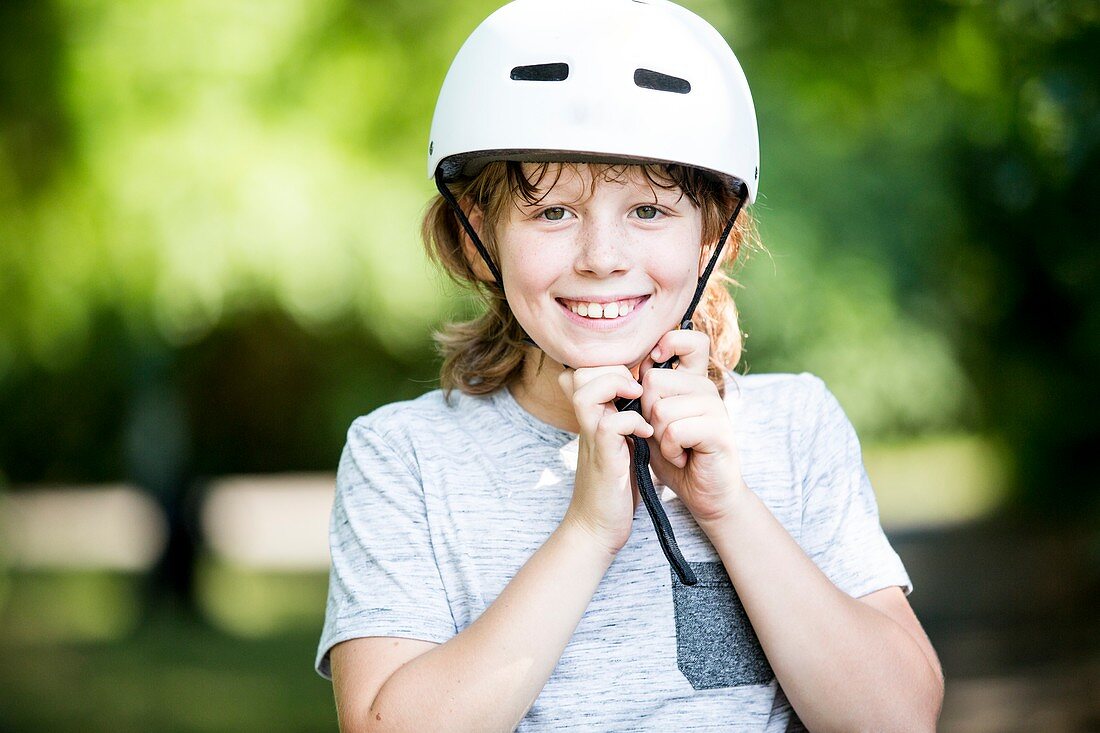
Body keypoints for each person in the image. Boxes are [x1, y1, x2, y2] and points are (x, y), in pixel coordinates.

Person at [316, 0, 945, 730]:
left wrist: (726, 507)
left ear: (716, 236)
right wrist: (587, 530)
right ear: (474, 237)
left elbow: (898, 717)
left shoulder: (795, 427)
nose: (602, 257)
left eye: (648, 210)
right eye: (552, 212)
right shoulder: (405, 457)